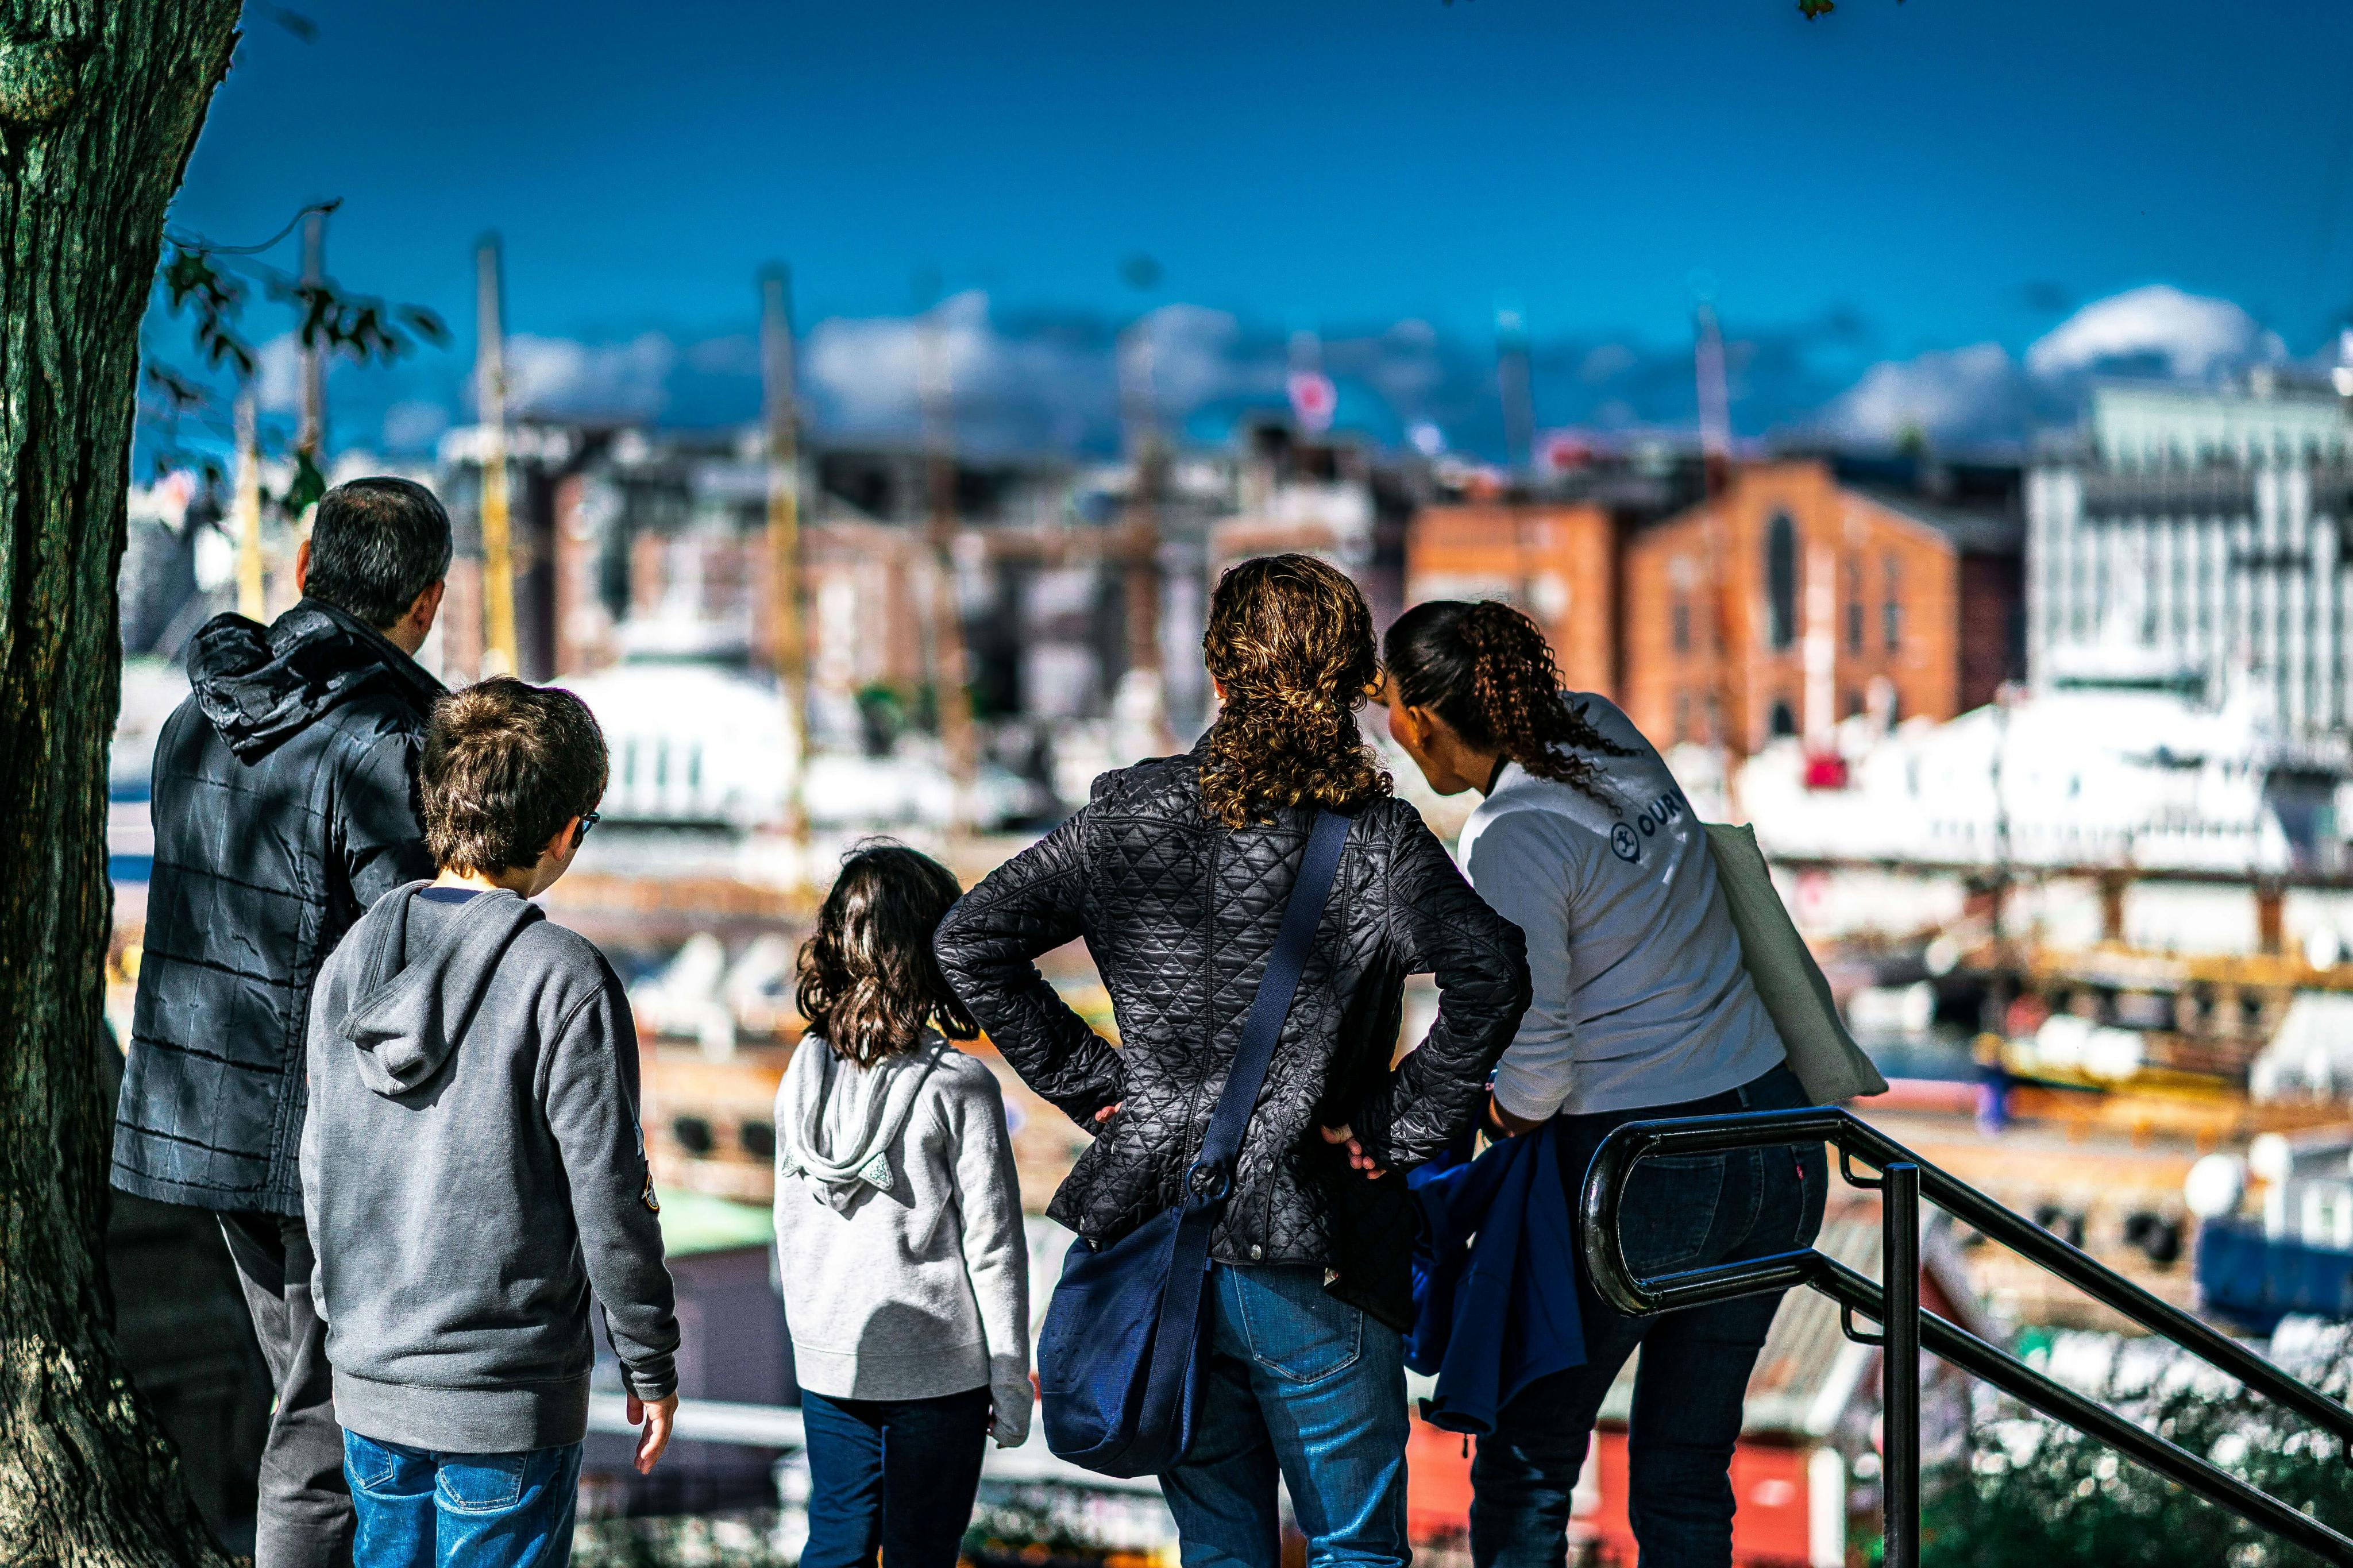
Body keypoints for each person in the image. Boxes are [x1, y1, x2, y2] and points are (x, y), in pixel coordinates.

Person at [935, 554, 1532, 1568]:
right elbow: (1493, 974)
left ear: (1219, 678)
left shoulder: (1128, 811)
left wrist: (1105, 1092)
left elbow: (966, 942)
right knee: (1355, 1549)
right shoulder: (1377, 840)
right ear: (1350, 688)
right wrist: (1397, 1128)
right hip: (1319, 1242)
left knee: (1218, 1545)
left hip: (1167, 1235)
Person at [1379, 599, 1827, 1568]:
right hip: (1774, 1138)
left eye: (1386, 703)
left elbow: (1537, 1070)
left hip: (1645, 1172)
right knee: (1684, 1470)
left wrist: (1484, 1112)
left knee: (1528, 1462)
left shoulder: (1508, 837)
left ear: (1421, 717)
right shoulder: (1601, 727)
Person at [112, 476, 452, 1568]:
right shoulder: (381, 743)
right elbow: (414, 957)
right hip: (316, 1134)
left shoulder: (195, 713)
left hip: (195, 1115)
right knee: (325, 1417)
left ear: (305, 570)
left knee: (302, 1384)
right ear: (429, 601)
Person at [299, 677, 681, 1568]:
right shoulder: (564, 977)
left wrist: (347, 1322)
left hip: (369, 1382)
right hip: (506, 1398)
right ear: (559, 833)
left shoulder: (352, 959)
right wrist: (650, 1361)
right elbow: (611, 1196)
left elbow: (319, 1165)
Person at [774, 843, 1031, 1568]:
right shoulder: (961, 1087)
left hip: (834, 1359)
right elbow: (994, 1246)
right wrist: (1009, 1381)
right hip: (937, 1369)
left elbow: (787, 1229)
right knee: (923, 1551)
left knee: (835, 1542)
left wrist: (808, 1337)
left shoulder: (800, 1074)